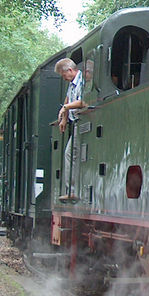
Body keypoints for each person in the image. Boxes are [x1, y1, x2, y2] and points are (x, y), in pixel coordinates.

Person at [55, 57, 86, 201]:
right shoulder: (72, 83)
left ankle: (73, 190)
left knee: (70, 154)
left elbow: (82, 101)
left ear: (70, 70)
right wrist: (64, 119)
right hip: (76, 123)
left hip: (84, 122)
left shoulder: (83, 80)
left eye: (63, 75)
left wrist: (65, 108)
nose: (64, 78)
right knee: (71, 155)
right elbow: (68, 99)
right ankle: (72, 190)